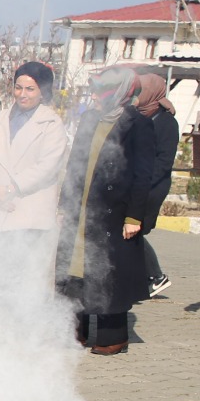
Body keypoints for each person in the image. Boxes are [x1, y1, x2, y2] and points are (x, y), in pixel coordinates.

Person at [54, 66, 156, 356]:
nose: (96, 97)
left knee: (108, 271)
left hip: (114, 210)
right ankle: (77, 330)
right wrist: (65, 203)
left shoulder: (138, 124)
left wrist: (135, 216)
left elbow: (143, 174)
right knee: (77, 268)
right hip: (82, 204)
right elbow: (75, 162)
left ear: (118, 93)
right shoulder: (90, 118)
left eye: (101, 92)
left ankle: (113, 335)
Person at [0, 61, 67, 287]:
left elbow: (47, 165)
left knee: (22, 280)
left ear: (43, 92)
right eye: (18, 87)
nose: (22, 94)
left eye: (30, 89)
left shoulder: (51, 124)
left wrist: (12, 189)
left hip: (28, 213)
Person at [132, 75, 178, 298]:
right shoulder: (139, 117)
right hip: (135, 183)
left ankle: (156, 276)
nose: (136, 96)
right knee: (130, 230)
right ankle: (142, 277)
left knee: (135, 231)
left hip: (152, 186)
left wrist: (142, 183)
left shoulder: (166, 122)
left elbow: (163, 162)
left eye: (140, 91)